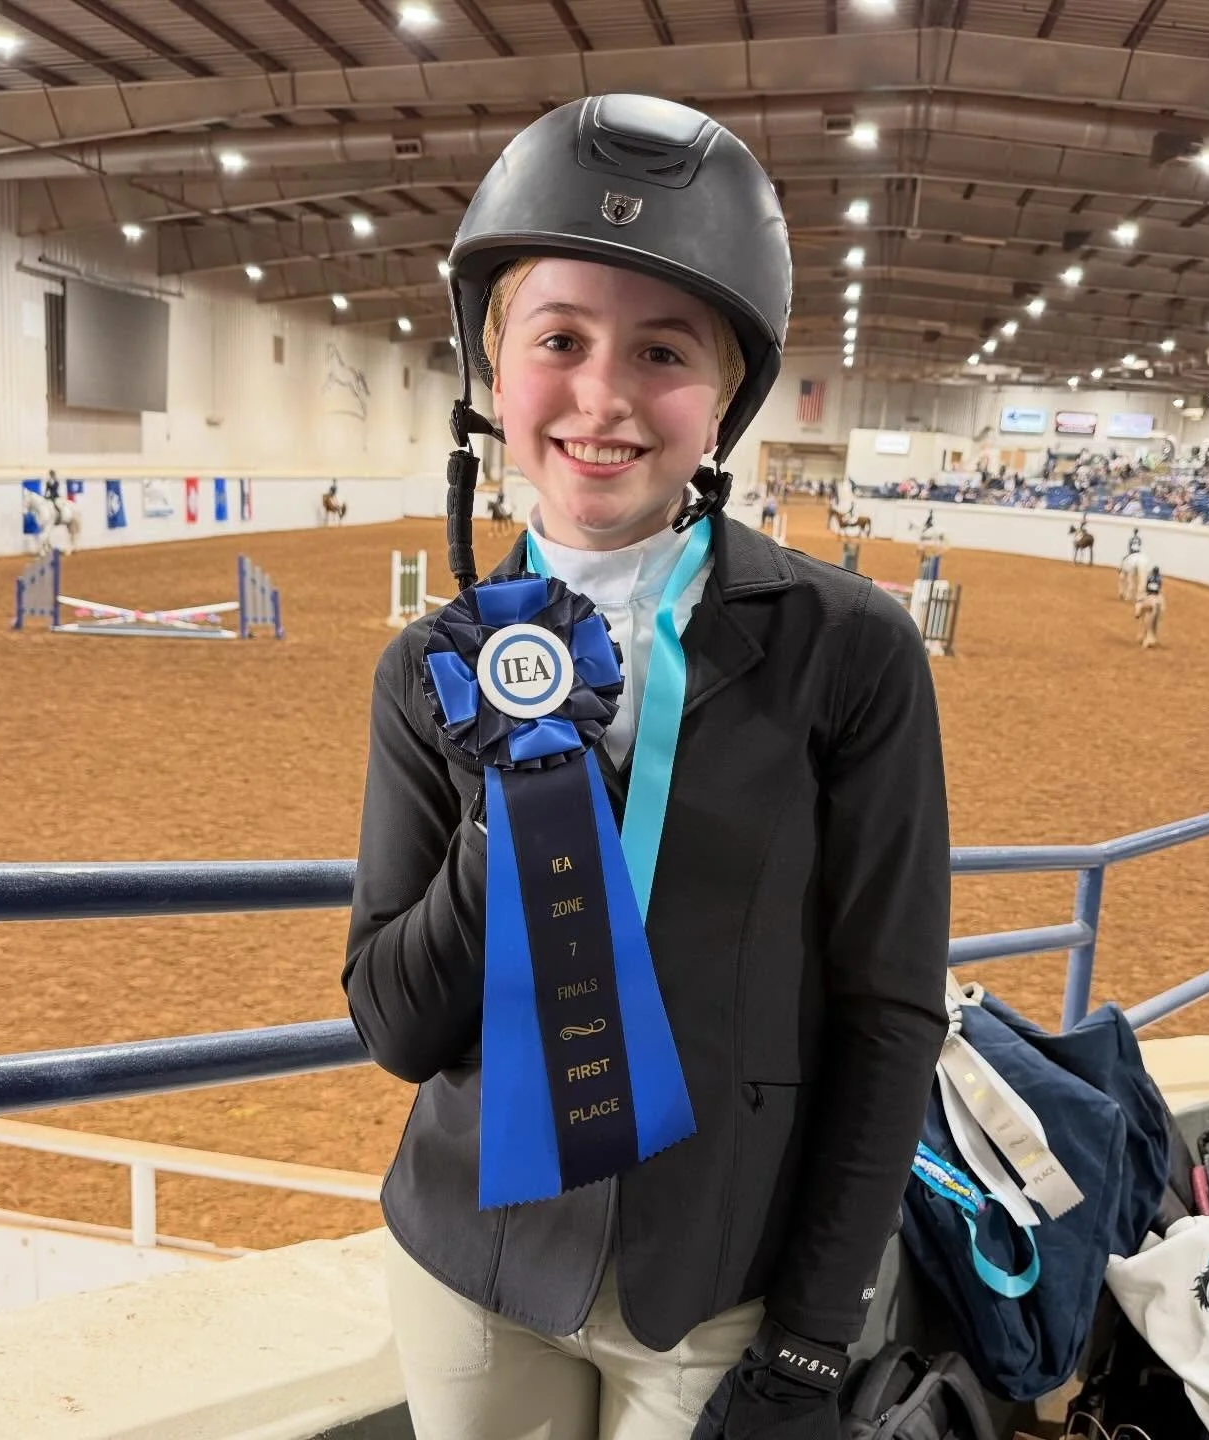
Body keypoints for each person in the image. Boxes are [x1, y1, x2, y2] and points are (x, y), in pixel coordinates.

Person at [342, 93, 951, 1440]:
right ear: (496, 372)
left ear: (726, 395)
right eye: (559, 339)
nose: (604, 397)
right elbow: (395, 1025)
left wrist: (811, 1334)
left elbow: (891, 1013)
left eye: (664, 351)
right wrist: (509, 820)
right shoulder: (429, 671)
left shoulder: (851, 655)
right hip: (475, 1268)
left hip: (718, 1300)